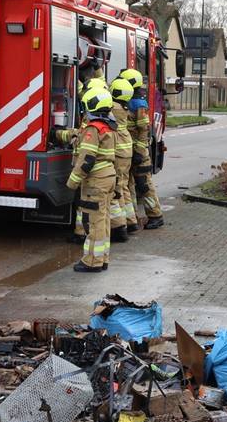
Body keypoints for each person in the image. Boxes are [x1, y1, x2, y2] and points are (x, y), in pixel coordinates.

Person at [65, 87, 118, 272]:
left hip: (95, 181)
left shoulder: (93, 129)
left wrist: (72, 182)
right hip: (108, 178)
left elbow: (86, 159)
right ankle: (101, 259)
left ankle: (91, 262)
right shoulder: (110, 127)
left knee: (93, 222)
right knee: (103, 220)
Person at [120, 68, 165, 229]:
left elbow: (143, 130)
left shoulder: (139, 104)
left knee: (144, 185)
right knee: (129, 184)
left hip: (139, 153)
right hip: (128, 150)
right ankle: (131, 218)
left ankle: (155, 215)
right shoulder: (129, 101)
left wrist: (139, 152)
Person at [108, 77, 137, 242]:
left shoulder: (113, 107)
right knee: (124, 186)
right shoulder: (124, 107)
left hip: (118, 152)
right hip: (127, 149)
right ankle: (131, 221)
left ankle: (119, 228)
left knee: (115, 190)